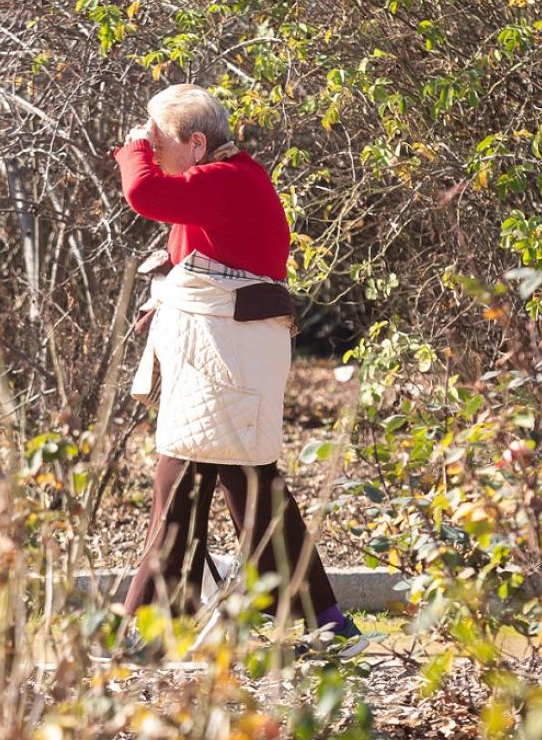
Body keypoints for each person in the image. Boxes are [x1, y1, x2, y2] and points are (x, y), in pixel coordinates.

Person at [113, 83, 365, 656]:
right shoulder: (225, 178)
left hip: (226, 359)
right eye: (147, 138)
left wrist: (133, 147)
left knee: (186, 489)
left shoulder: (225, 180)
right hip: (222, 356)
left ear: (196, 144)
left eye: (160, 138)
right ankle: (327, 623)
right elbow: (200, 256)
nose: (151, 147)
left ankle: (143, 633)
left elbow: (143, 192)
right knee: (249, 493)